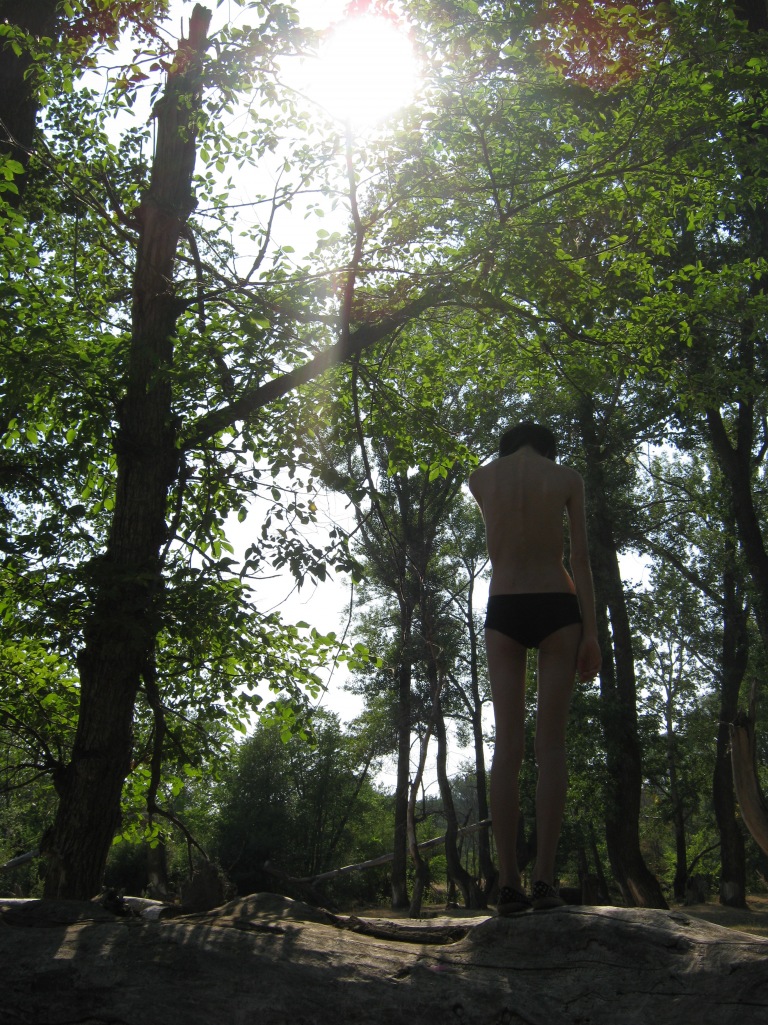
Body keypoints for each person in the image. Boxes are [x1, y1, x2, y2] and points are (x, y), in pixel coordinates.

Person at [468, 421, 601, 914]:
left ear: (506, 445)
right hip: (557, 607)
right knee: (552, 747)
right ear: (549, 448)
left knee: (507, 748)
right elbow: (580, 559)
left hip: (504, 608)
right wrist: (592, 633)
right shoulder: (566, 477)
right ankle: (544, 880)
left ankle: (508, 883)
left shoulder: (481, 478)